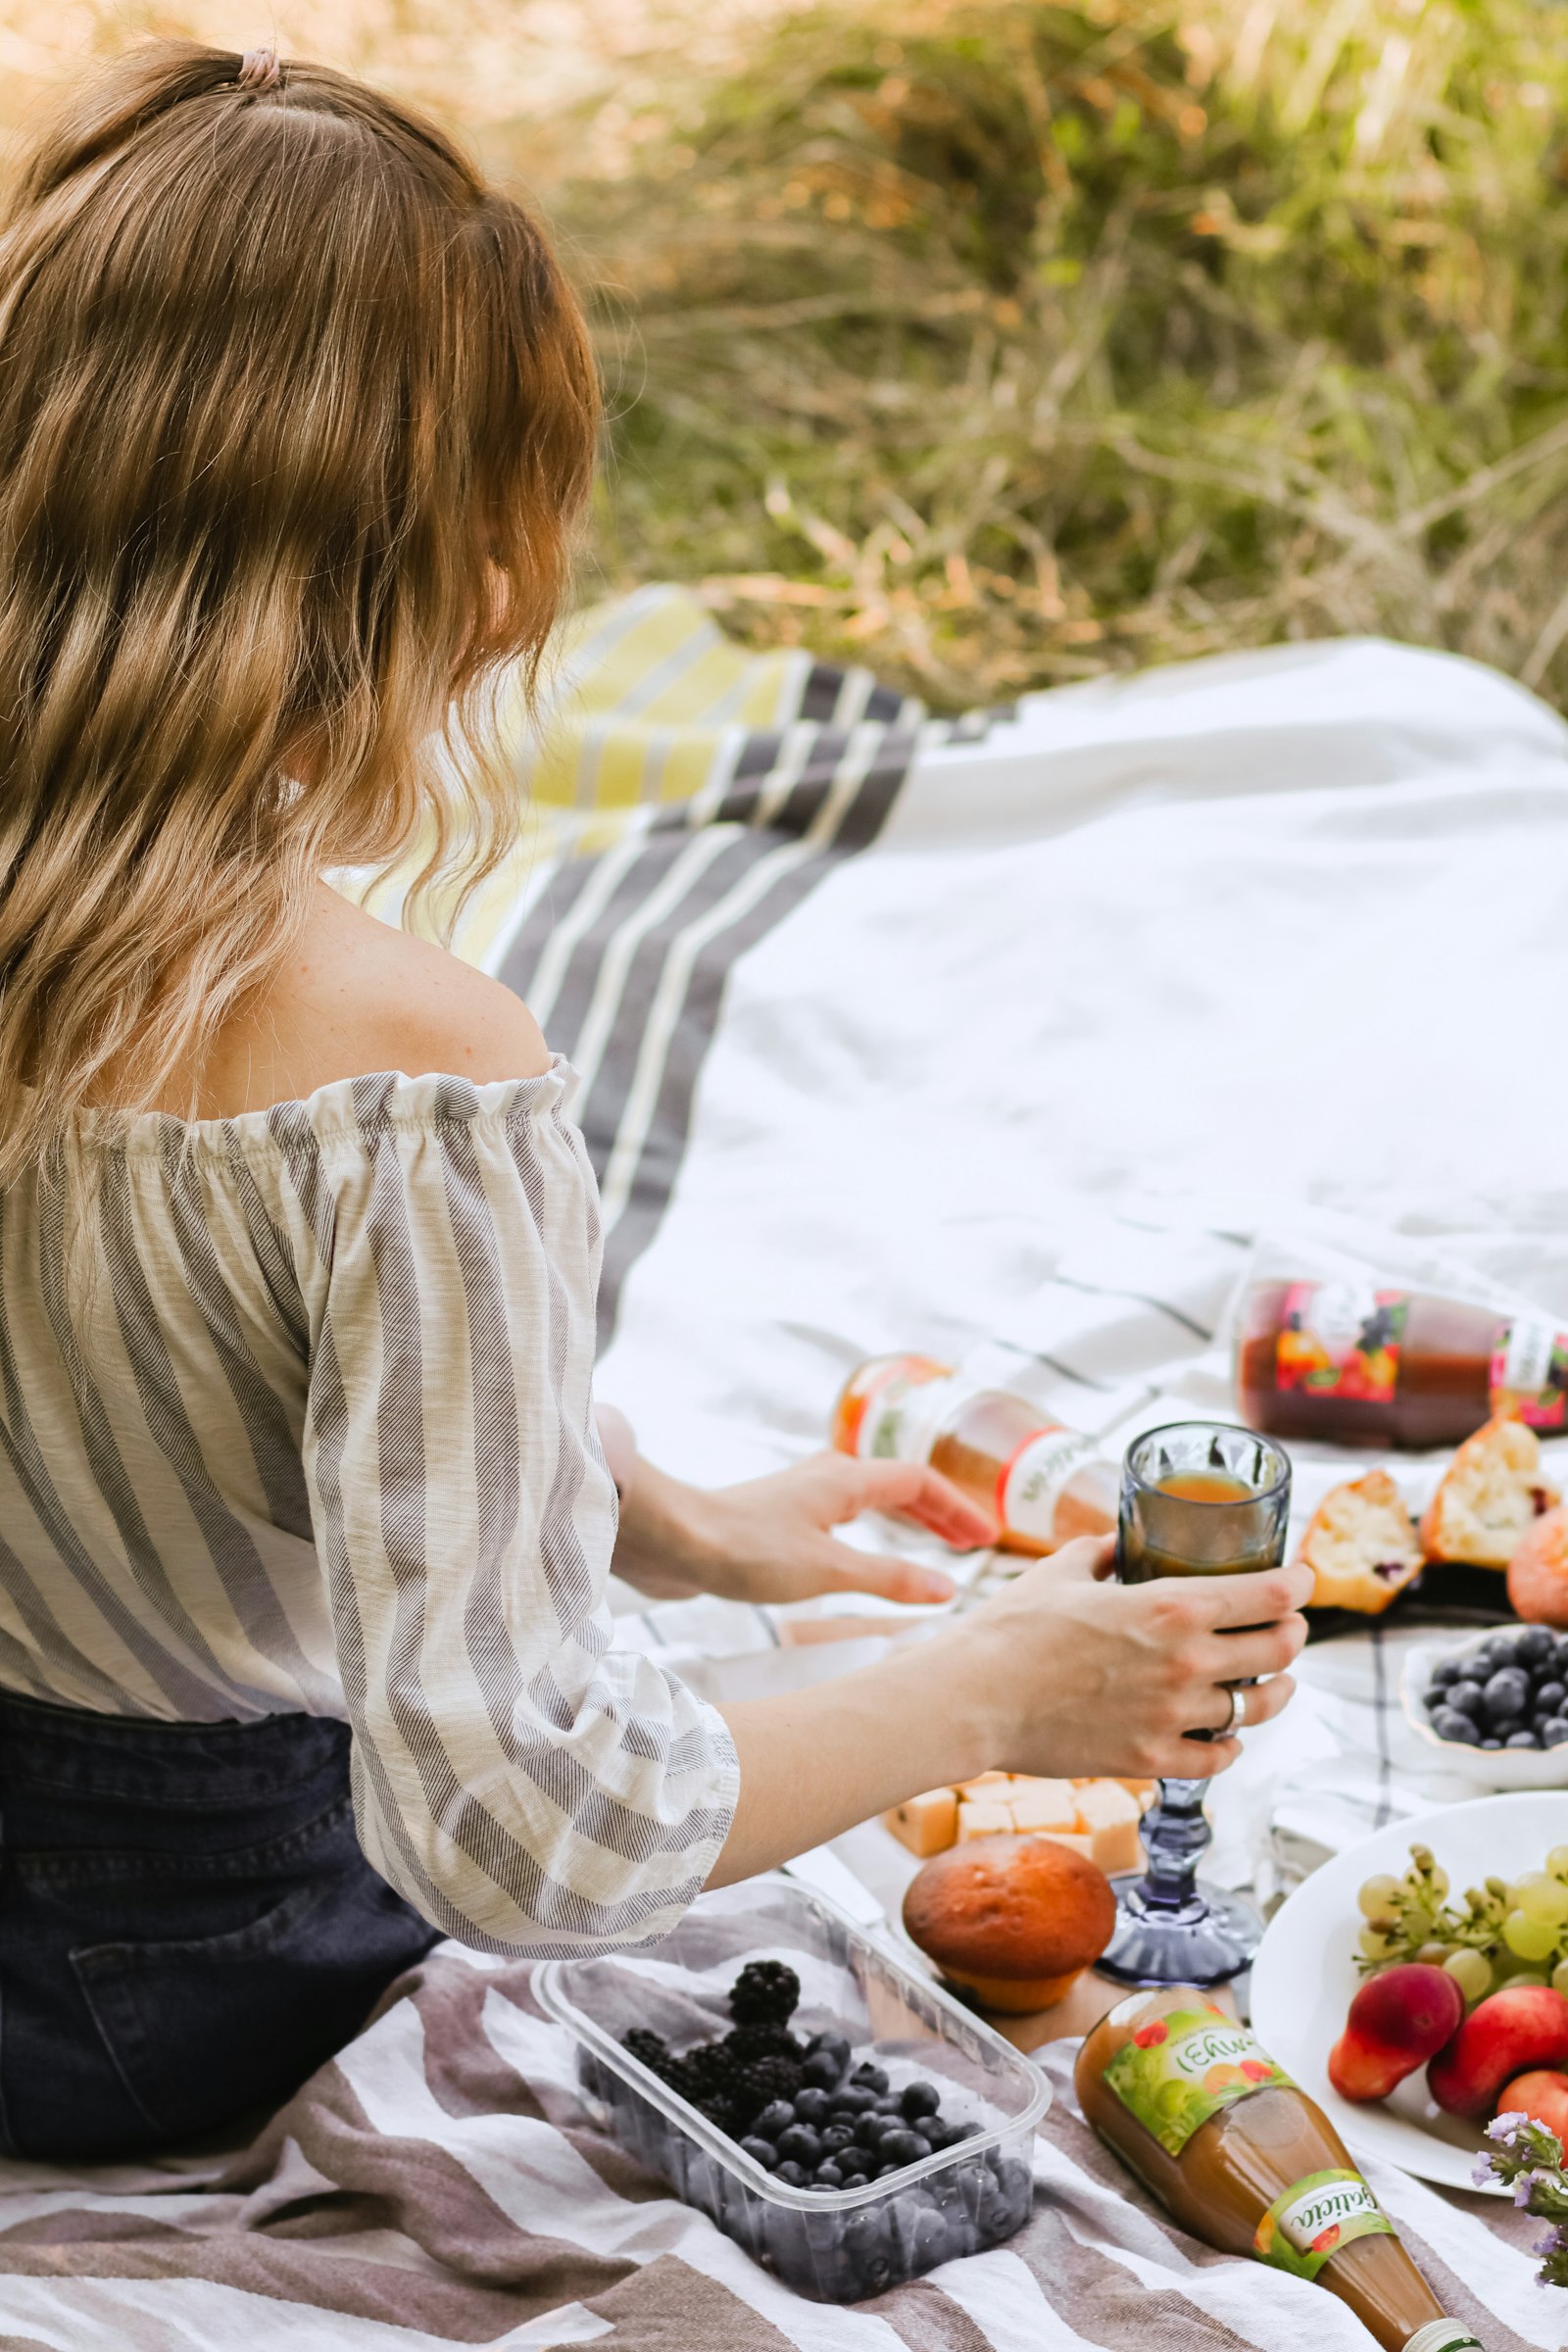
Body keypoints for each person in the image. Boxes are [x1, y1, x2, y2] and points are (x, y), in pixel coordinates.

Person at [0, 41, 1308, 2163]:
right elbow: (524, 1826)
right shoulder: (410, 1080)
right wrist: (996, 1684)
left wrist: (634, 1515)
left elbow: (114, 1392)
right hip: (179, 1983)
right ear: (484, 573)